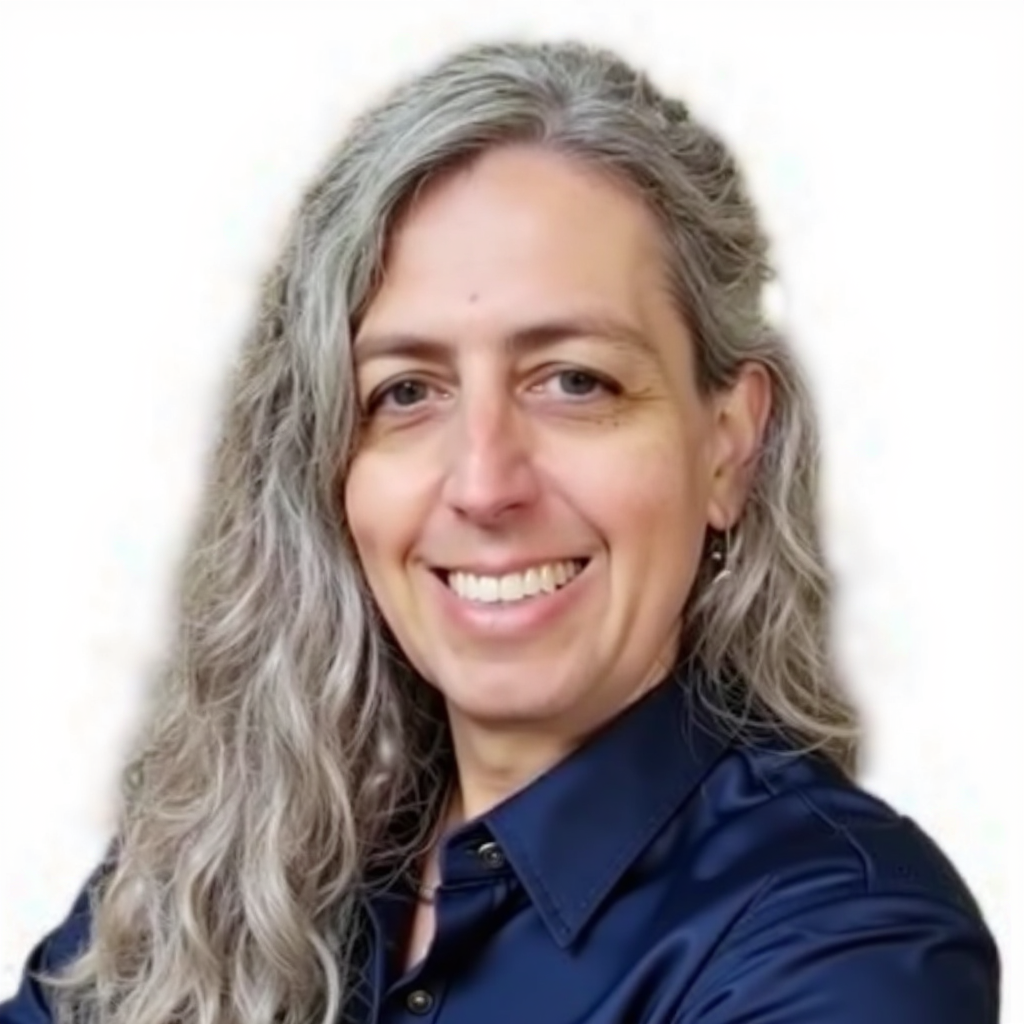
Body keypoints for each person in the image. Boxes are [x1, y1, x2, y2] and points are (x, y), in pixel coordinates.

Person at [0, 38, 1000, 1024]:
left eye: (575, 381)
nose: (484, 483)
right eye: (405, 392)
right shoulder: (219, 870)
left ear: (728, 448)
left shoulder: (849, 944)